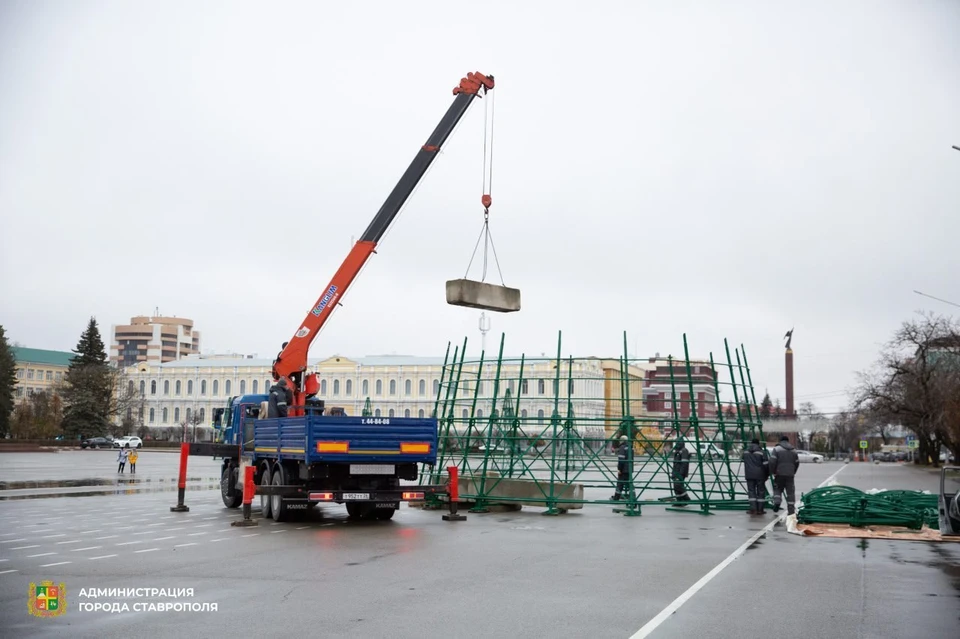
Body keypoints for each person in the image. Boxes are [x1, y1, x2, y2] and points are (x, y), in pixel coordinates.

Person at [768, 435, 800, 515]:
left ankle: (777, 502)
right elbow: (797, 463)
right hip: (790, 474)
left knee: (777, 489)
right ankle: (791, 510)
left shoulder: (777, 449)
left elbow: (772, 462)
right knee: (790, 492)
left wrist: (772, 471)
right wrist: (793, 471)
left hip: (779, 474)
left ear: (780, 441)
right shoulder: (794, 450)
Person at [742, 439, 768, 514]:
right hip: (760, 475)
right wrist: (767, 474)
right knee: (760, 491)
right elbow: (766, 465)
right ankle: (760, 510)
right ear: (758, 443)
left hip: (749, 475)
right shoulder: (762, 452)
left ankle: (753, 509)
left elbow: (742, 459)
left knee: (751, 492)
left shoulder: (746, 452)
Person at [611, 435, 633, 500]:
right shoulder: (630, 447)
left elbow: (621, 460)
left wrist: (619, 469)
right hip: (629, 469)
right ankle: (633, 497)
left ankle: (616, 497)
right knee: (630, 484)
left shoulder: (622, 447)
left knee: (620, 483)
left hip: (623, 469)